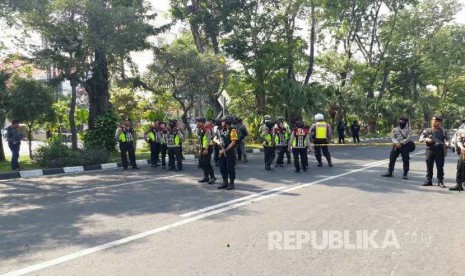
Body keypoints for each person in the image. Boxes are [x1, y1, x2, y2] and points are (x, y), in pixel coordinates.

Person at [419, 116, 450, 187]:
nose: (437, 123)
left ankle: (440, 181)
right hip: (430, 150)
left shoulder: (444, 131)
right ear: (432, 122)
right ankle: (429, 180)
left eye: (439, 121)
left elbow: (448, 140)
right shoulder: (427, 130)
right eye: (435, 121)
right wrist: (426, 139)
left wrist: (448, 143)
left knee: (440, 166)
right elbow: (420, 139)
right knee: (429, 166)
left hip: (440, 150)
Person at [213, 116, 238, 190]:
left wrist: (226, 150)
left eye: (223, 121)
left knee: (230, 168)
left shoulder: (232, 130)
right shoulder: (220, 130)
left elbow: (233, 142)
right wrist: (218, 142)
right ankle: (225, 182)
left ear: (227, 122)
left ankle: (231, 183)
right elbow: (215, 138)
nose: (222, 122)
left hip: (229, 152)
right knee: (222, 167)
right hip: (221, 152)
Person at [196, 117, 217, 184]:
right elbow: (199, 137)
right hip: (202, 147)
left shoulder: (207, 129)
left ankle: (212, 177)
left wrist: (206, 149)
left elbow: (208, 139)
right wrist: (200, 149)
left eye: (198, 122)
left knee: (207, 163)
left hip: (208, 148)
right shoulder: (201, 129)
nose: (197, 123)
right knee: (202, 163)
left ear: (202, 122)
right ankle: (206, 177)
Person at [450, 127, 465, 191]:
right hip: (464, 151)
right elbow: (458, 141)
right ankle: (458, 185)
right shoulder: (461, 131)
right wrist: (462, 147)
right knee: (460, 167)